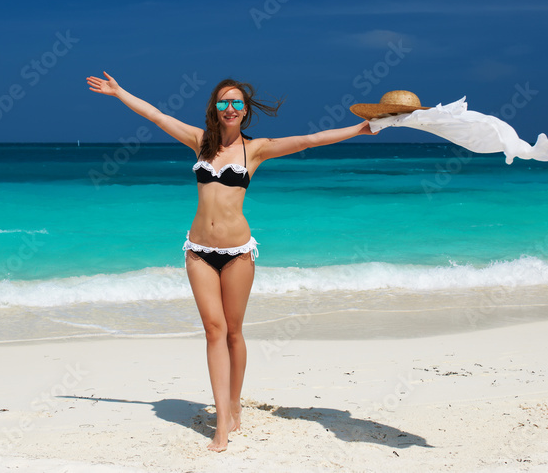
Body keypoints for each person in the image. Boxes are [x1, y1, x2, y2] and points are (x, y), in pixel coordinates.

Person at [86, 71, 377, 451]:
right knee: (213, 330)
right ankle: (222, 421)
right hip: (197, 251)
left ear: (245, 111)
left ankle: (235, 402)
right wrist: (120, 91)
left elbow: (309, 139)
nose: (230, 107)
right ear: (214, 108)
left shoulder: (254, 150)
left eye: (237, 102)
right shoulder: (199, 142)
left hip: (238, 252)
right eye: (223, 101)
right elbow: (157, 116)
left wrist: (358, 130)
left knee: (234, 332)